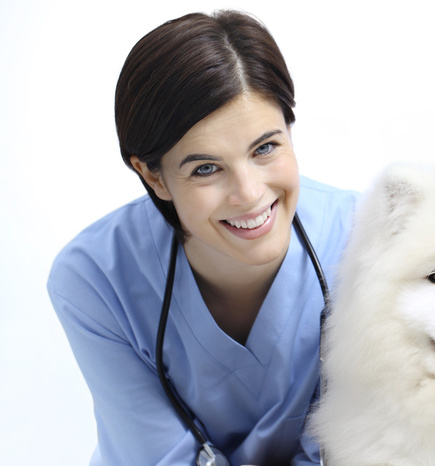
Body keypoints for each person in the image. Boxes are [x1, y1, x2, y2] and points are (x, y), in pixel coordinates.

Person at [47, 10, 357, 465]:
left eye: (265, 147)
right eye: (206, 168)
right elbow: (157, 456)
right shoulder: (93, 278)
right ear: (152, 176)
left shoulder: (369, 235)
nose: (249, 195)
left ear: (290, 130)